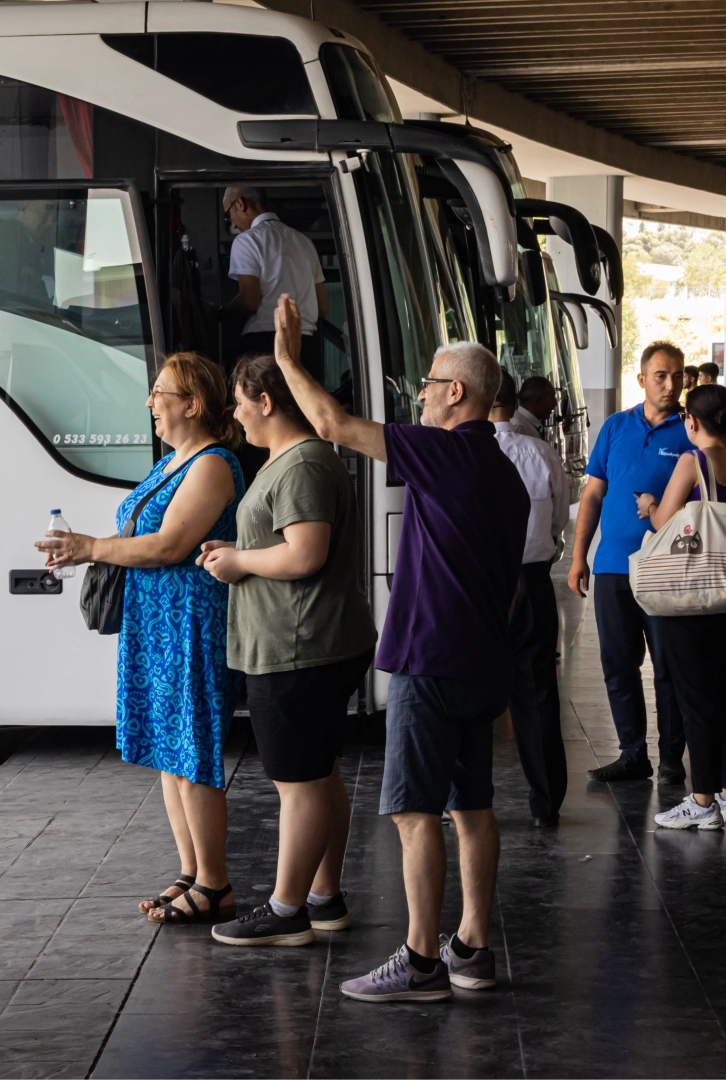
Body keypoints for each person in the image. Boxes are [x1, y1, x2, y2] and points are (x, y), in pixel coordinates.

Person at [271, 293, 527, 1002]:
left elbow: (330, 424)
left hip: (431, 660)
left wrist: (289, 359)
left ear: (455, 393)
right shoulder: (504, 475)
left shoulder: (446, 450)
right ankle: (471, 949)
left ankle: (420, 962)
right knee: (471, 808)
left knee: (414, 813)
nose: (418, 395)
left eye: (426, 384)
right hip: (481, 662)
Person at [36, 353, 247, 924]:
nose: (151, 403)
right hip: (154, 621)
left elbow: (169, 546)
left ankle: (217, 885)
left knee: (193, 750)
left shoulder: (213, 464)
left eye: (160, 393)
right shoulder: (171, 462)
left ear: (192, 404)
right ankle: (192, 873)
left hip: (188, 621)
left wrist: (89, 547)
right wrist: (84, 547)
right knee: (168, 753)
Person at [198, 352, 377, 947]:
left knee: (298, 784)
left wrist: (238, 561)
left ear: (266, 402)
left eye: (240, 404)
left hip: (299, 648)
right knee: (319, 776)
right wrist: (241, 548)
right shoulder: (292, 458)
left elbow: (305, 553)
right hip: (308, 644)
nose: (236, 416)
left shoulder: (301, 463)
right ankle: (323, 899)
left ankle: (286, 910)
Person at [635, 385, 726, 830]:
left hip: (696, 600)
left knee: (697, 699)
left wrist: (649, 504)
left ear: (691, 421)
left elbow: (664, 521)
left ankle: (702, 801)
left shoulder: (694, 461)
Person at [568, 342, 693, 784]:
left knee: (668, 667)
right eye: (660, 375)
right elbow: (593, 494)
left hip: (667, 569)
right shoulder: (616, 427)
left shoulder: (690, 431)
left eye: (677, 375)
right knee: (618, 664)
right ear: (641, 379)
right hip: (612, 568)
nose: (670, 384)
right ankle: (632, 753)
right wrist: (579, 555)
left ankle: (673, 758)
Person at [490, 373, 569, 826]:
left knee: (466, 689)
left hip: (479, 585)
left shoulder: (464, 454)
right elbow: (559, 518)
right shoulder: (541, 453)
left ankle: (461, 796)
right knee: (537, 694)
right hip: (533, 579)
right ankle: (546, 803)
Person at [222, 187, 330, 379]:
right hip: (307, 348)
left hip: (265, 347)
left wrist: (219, 312)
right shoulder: (304, 242)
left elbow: (249, 302)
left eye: (229, 214)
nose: (233, 224)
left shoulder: (247, 240)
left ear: (240, 203)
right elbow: (322, 308)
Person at [509, 374, 555, 439]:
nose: (555, 403)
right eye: (551, 397)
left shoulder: (526, 425)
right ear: (536, 400)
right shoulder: (519, 427)